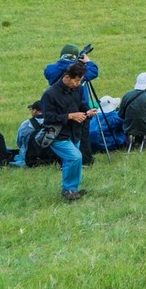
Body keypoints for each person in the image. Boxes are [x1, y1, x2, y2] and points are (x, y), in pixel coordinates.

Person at [40, 61, 97, 201]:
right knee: (75, 157)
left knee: (70, 161)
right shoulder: (50, 94)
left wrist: (87, 111)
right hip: (57, 134)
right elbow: (48, 117)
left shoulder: (77, 89)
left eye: (80, 81)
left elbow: (82, 104)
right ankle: (69, 189)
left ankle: (72, 189)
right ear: (67, 77)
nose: (78, 84)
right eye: (77, 80)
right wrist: (70, 116)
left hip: (75, 132)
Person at [43, 44, 99, 166]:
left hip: (60, 107)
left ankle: (62, 162)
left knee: (60, 136)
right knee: (82, 136)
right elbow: (94, 72)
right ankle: (84, 160)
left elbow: (48, 73)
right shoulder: (77, 72)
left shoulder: (51, 68)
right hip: (75, 109)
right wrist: (87, 62)